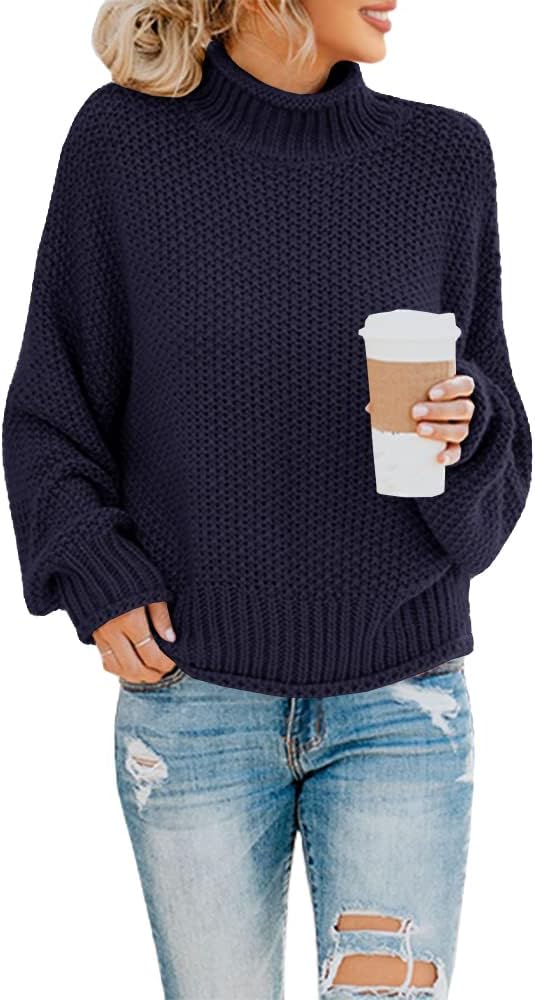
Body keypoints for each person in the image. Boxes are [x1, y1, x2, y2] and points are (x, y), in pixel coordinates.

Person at [2, 1, 531, 997]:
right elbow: (50, 411)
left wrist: (465, 430)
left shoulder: (444, 159)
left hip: (402, 706)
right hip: (192, 701)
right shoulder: (122, 145)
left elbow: (495, 475)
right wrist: (96, 573)